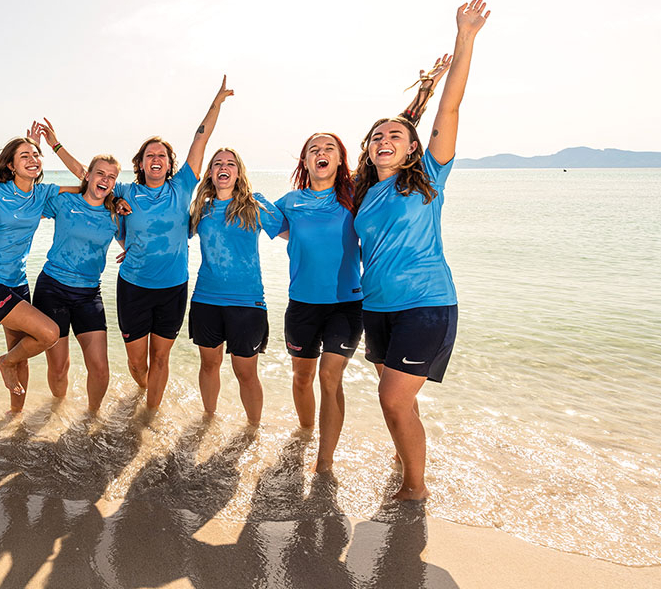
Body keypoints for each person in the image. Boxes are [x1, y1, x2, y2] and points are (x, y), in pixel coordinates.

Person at [277, 56, 451, 472]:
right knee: (343, 384)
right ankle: (394, 454)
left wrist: (424, 94)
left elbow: (393, 139)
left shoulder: (357, 189)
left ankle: (385, 469)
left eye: (329, 149)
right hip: (349, 303)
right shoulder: (310, 199)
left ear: (342, 160)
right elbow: (264, 221)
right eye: (314, 149)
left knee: (374, 390)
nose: (322, 153)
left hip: (372, 302)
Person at [352, 0, 490, 501]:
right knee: (399, 402)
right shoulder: (361, 191)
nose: (385, 139)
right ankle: (405, 457)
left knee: (392, 398)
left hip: (426, 304)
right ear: (369, 148)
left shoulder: (427, 176)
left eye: (396, 135)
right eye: (377, 136)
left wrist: (464, 39)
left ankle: (415, 488)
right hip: (377, 307)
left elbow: (448, 109)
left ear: (413, 147)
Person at [115, 77, 233, 411]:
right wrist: (56, 146)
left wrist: (216, 103)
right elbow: (90, 180)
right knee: (137, 362)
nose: (156, 159)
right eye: (149, 155)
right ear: (140, 163)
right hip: (133, 287)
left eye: (162, 155)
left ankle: (150, 415)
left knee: (160, 358)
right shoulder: (125, 191)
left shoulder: (181, 186)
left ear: (170, 163)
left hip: (173, 288)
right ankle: (143, 389)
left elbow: (201, 138)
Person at [0, 119, 88, 411]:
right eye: (24, 156)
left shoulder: (43, 194)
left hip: (18, 283)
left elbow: (89, 186)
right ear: (10, 165)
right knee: (48, 333)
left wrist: (54, 145)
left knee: (20, 354)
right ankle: (4, 362)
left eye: (36, 155)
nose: (33, 159)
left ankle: (15, 417)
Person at [187, 148, 284, 425]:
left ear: (239, 173)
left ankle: (253, 428)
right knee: (209, 365)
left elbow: (293, 233)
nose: (223, 167)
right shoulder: (201, 209)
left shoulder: (255, 204)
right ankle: (208, 419)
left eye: (230, 164)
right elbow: (170, 235)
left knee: (245, 372)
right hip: (205, 299)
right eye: (217, 163)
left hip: (247, 303)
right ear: (210, 173)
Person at [32, 156, 123, 413]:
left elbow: (133, 241)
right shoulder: (65, 202)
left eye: (111, 177)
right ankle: (57, 410)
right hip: (52, 289)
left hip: (88, 294)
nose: (105, 180)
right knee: (59, 367)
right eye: (100, 173)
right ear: (88, 175)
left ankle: (92, 416)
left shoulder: (115, 214)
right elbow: (30, 198)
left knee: (100, 368)